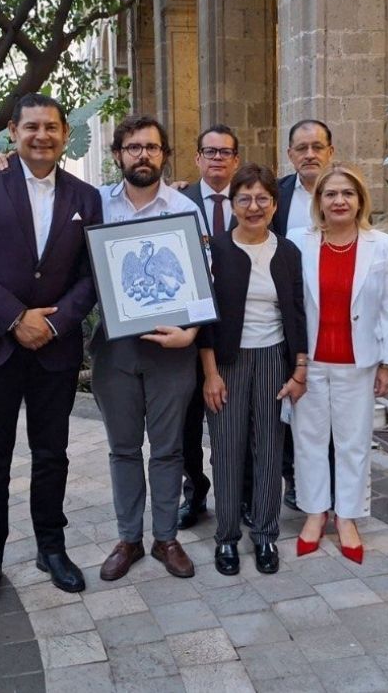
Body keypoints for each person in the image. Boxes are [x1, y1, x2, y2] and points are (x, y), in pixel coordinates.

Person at [0, 94, 103, 610]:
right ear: (12, 132)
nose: (42, 136)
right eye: (31, 127)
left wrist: (54, 323)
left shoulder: (86, 196)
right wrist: (16, 318)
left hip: (53, 351)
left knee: (51, 455)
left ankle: (50, 549)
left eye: (52, 128)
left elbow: (92, 275)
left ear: (64, 135)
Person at [94, 115, 207, 581]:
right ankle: (128, 539)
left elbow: (206, 277)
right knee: (122, 449)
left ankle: (165, 538)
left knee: (167, 449)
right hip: (115, 349)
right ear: (118, 154)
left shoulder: (186, 209)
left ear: (164, 155)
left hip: (172, 348)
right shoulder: (94, 204)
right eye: (133, 146)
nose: (143, 154)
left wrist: (193, 334)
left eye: (152, 147)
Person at [287, 164, 388, 565]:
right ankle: (316, 513)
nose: (339, 201)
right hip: (310, 362)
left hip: (359, 362)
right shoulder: (297, 242)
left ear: (359, 201)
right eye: (330, 194)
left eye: (347, 194)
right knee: (310, 442)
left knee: (353, 445)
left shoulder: (382, 246)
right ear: (318, 201)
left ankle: (349, 516)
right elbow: (290, 308)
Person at [198, 163, 307, 575]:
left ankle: (264, 535)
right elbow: (204, 317)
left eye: (262, 198)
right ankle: (226, 538)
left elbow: (297, 314)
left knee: (269, 450)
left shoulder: (287, 251)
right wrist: (209, 373)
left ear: (274, 204)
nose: (254, 206)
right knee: (226, 451)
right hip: (226, 362)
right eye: (244, 198)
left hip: (274, 360)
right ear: (233, 204)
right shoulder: (216, 251)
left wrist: (299, 369)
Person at [177, 124, 242, 531]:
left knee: (235, 421)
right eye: (209, 151)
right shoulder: (176, 202)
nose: (217, 158)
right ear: (198, 158)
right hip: (187, 335)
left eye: (225, 152)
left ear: (236, 160)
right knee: (187, 426)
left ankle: (238, 494)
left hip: (238, 333)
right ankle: (195, 492)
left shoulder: (256, 200)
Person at [273, 119, 337, 511]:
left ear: (330, 151)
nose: (310, 154)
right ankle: (292, 477)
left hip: (335, 322)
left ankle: (329, 484)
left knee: (331, 410)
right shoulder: (276, 194)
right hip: (287, 321)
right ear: (290, 154)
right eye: (302, 148)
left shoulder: (345, 191)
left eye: (318, 146)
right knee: (288, 403)